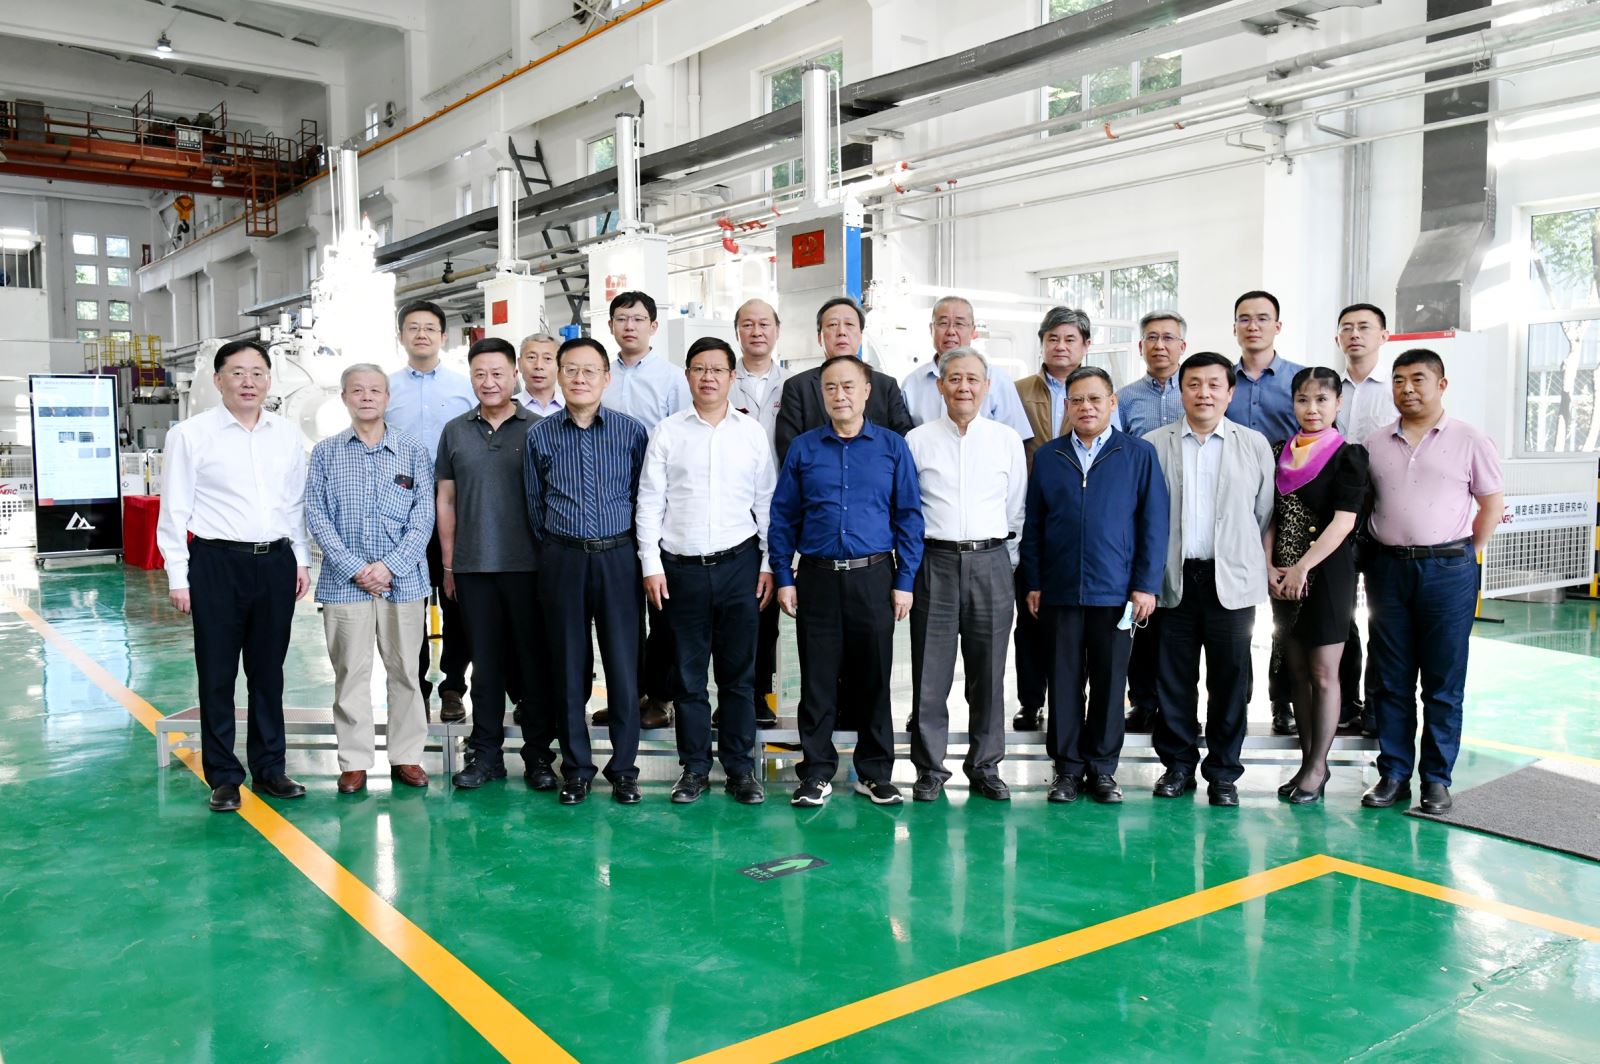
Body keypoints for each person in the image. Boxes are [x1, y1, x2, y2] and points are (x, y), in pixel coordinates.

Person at [157, 339, 311, 812]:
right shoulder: (191, 434)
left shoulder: (286, 435)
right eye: (238, 372)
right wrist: (178, 577)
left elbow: (294, 504)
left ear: (269, 380)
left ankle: (270, 769)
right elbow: (173, 509)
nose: (248, 381)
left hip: (276, 562)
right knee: (217, 675)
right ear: (218, 379)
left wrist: (301, 559)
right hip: (216, 564)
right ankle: (223, 776)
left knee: (269, 673)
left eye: (257, 372)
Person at [770, 355, 924, 807]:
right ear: (822, 394)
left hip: (874, 576)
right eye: (831, 387)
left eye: (849, 386)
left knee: (874, 679)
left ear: (867, 392)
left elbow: (909, 517)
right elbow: (783, 517)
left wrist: (905, 580)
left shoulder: (893, 447)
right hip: (816, 578)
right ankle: (816, 772)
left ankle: (874, 773)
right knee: (816, 680)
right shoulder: (803, 449)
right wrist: (784, 575)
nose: (840, 395)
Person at [1361, 349, 1503, 815]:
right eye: (1399, 380)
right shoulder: (1375, 443)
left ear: (1441, 385)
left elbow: (1491, 504)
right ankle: (1394, 774)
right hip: (1388, 570)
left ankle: (1437, 779)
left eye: (1418, 379)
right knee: (1391, 678)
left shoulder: (1470, 439)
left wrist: (1464, 553)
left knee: (1443, 681)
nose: (1407, 389)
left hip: (1449, 570)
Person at [637, 337, 776, 805]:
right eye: (699, 369)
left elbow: (766, 503)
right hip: (681, 571)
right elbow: (650, 503)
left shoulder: (750, 433)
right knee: (688, 678)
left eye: (717, 369)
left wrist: (768, 563)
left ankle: (740, 770)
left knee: (739, 677)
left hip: (740, 566)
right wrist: (651, 564)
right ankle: (694, 768)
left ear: (732, 377)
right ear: (688, 376)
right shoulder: (668, 432)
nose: (708, 377)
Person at [1021, 366, 1167, 805]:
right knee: (1063, 682)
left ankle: (1102, 769)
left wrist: (1145, 585)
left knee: (1109, 683)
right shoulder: (1050, 456)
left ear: (1112, 403)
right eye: (1077, 400)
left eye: (1095, 399)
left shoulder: (1138, 454)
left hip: (1116, 592)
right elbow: (1034, 524)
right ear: (1066, 406)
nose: (1086, 407)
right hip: (1060, 590)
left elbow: (1153, 524)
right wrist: (1034, 581)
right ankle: (1067, 770)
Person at [1145, 352, 1275, 807]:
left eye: (1214, 384)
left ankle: (1223, 772)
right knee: (1173, 679)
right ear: (1181, 391)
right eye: (1194, 384)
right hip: (1174, 578)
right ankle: (1178, 766)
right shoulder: (1154, 444)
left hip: (1230, 579)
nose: (1204, 393)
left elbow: (1263, 512)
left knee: (1230, 681)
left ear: (1230, 392)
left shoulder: (1253, 444)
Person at [526, 336, 651, 805]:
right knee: (568, 667)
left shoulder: (631, 432)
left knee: (623, 667)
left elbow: (642, 498)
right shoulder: (540, 436)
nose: (580, 379)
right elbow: (534, 506)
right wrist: (560, 549)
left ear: (606, 377)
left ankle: (624, 770)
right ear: (559, 376)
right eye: (571, 370)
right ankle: (576, 769)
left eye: (590, 371)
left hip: (619, 558)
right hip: (563, 558)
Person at [304, 364, 434, 794]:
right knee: (351, 674)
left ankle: (407, 756)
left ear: (387, 398)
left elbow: (424, 516)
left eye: (375, 390)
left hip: (404, 582)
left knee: (406, 672)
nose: (366, 397)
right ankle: (354, 761)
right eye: (357, 390)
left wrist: (390, 566)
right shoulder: (326, 453)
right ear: (344, 398)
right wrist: (356, 568)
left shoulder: (412, 451)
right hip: (345, 584)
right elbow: (316, 516)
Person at [436, 338, 558, 790]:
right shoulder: (455, 431)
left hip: (529, 568)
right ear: (471, 378)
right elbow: (446, 499)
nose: (489, 382)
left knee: (533, 666)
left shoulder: (541, 429)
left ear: (515, 376)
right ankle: (486, 755)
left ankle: (539, 756)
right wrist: (449, 564)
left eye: (497, 373)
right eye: (480, 374)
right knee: (485, 668)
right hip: (472, 569)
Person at [906, 347, 1027, 802]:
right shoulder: (917, 440)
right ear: (940, 386)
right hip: (933, 562)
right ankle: (929, 769)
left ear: (987, 386)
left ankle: (985, 765)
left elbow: (1016, 507)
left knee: (989, 673)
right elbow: (909, 508)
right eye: (954, 379)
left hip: (991, 560)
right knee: (930, 674)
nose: (963, 387)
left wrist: (1003, 561)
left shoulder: (1005, 440)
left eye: (973, 379)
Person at [1265, 366, 1371, 804]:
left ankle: (1317, 768)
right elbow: (1270, 516)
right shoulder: (1278, 452)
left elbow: (1344, 522)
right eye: (1303, 399)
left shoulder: (1349, 456)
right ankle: (1307, 761)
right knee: (1298, 674)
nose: (1312, 408)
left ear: (1337, 403)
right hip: (1283, 578)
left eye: (1322, 399)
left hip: (1326, 575)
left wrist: (1302, 567)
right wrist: (1269, 565)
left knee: (1324, 673)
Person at [1013, 306, 1121, 733]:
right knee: (1032, 620)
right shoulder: (1017, 390)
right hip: (1035, 512)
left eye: (1070, 338)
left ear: (1086, 345)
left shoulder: (1100, 392)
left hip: (1091, 527)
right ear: (1041, 342)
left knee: (1091, 640)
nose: (1060, 346)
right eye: (1052, 338)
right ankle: (1030, 701)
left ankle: (1092, 726)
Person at [598, 290, 689, 732]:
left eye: (637, 319)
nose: (629, 326)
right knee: (621, 613)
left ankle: (662, 696)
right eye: (621, 318)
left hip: (661, 511)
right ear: (610, 326)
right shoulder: (600, 377)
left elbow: (683, 442)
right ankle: (628, 696)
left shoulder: (672, 379)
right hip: (610, 511)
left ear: (654, 326)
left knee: (663, 610)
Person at [386, 299, 475, 724]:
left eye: (429, 328)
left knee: (459, 601)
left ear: (443, 336)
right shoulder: (386, 389)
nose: (421, 334)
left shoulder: (465, 387)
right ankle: (415, 690)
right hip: (401, 514)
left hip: (457, 508)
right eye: (413, 327)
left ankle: (453, 687)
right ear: (401, 336)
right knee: (409, 605)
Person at [1227, 289, 1306, 738]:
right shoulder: (1222, 380)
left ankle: (1284, 700)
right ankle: (1235, 701)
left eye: (1262, 318)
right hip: (1232, 506)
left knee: (1285, 614)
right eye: (1244, 318)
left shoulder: (1299, 381)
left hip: (1288, 506)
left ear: (1278, 326)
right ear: (1234, 327)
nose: (1252, 325)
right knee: (1234, 615)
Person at [1115, 310, 1189, 734]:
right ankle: (1142, 700)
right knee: (1141, 613)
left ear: (1183, 346)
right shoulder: (1124, 399)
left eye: (1168, 338)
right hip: (1139, 518)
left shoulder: (1195, 390)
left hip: (1189, 517)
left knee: (1182, 621)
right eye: (1151, 338)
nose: (1160, 345)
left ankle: (1179, 704)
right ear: (1140, 346)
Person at [1334, 302, 1397, 736]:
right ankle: (1343, 703)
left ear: (1383, 336)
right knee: (1339, 614)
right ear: (1338, 337)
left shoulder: (1395, 390)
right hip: (1335, 517)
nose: (1355, 334)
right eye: (1347, 328)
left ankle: (1376, 709)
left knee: (1383, 618)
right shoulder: (1327, 388)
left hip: (1381, 515)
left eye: (1364, 327)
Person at [728, 298, 788, 728]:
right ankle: (731, 695)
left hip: (781, 508)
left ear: (777, 330)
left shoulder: (795, 385)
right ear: (738, 332)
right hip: (733, 508)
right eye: (747, 324)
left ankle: (761, 694)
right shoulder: (723, 381)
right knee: (734, 612)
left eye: (764, 324)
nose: (756, 332)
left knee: (767, 608)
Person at [773, 296, 914, 463]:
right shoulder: (798, 387)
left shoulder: (886, 386)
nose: (841, 331)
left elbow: (904, 442)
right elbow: (789, 450)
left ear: (860, 335)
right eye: (833, 325)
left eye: (849, 324)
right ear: (819, 337)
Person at [900, 295, 1033, 440]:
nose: (951, 331)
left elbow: (1016, 439)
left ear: (972, 330)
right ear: (931, 329)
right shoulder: (912, 384)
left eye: (959, 324)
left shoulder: (998, 379)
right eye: (943, 323)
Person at [515, 331, 564, 416]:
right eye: (531, 357)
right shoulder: (506, 408)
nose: (539, 366)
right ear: (519, 364)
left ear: (560, 365)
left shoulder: (572, 407)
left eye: (548, 358)